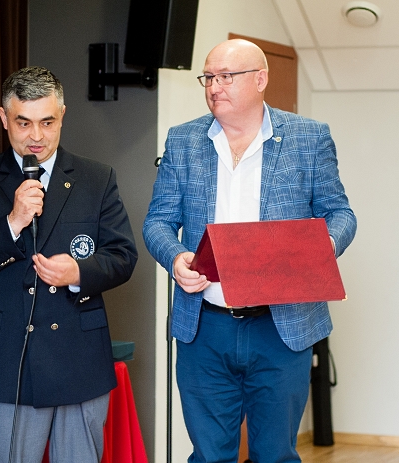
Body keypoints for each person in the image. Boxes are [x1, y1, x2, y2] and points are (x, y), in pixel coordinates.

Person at [143, 39, 357, 463]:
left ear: (260, 79)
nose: (214, 87)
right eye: (208, 77)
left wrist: (319, 250)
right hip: (204, 326)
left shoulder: (309, 137)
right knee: (208, 456)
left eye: (226, 76)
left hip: (282, 328)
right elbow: (158, 222)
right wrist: (175, 257)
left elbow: (340, 214)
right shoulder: (183, 140)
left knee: (275, 455)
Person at [0, 66, 138, 463]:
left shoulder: (96, 178)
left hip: (79, 357)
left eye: (47, 122)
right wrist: (11, 224)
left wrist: (78, 273)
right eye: (23, 122)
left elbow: (123, 256)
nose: (36, 136)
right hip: (8, 359)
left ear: (62, 115)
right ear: (3, 118)